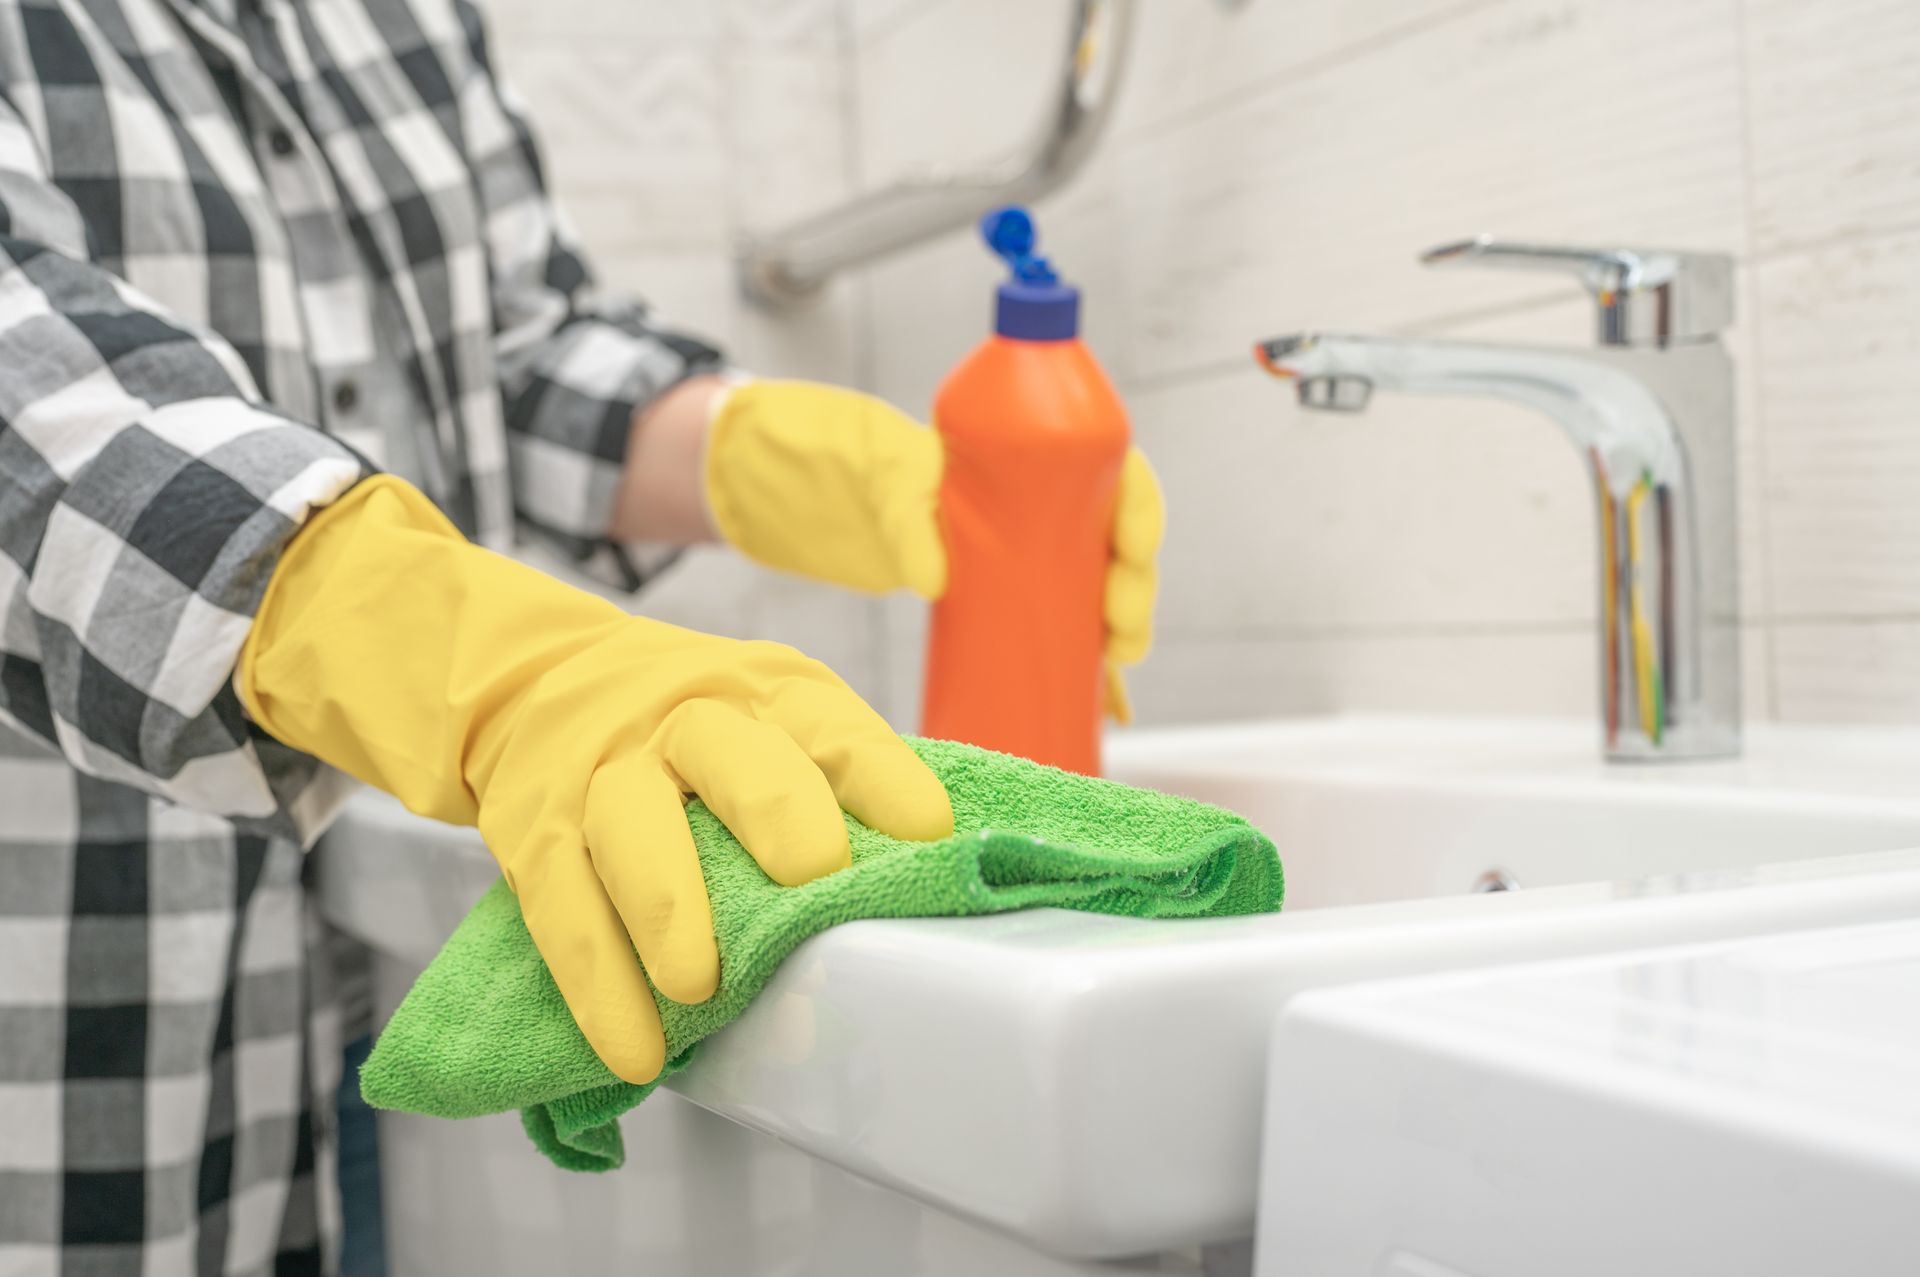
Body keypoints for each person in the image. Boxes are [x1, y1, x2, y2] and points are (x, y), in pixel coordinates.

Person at [0, 0, 1164, 1272]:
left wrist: (794, 460)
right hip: (96, 1013)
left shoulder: (399, 19)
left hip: (394, 994)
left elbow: (518, 361)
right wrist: (479, 661)